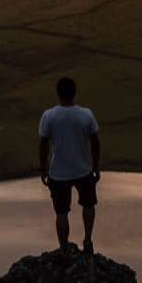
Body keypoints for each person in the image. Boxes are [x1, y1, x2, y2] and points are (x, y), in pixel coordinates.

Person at [37, 76, 101, 253]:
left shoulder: (49, 116)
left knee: (61, 213)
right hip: (83, 170)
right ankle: (88, 240)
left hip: (58, 172)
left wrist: (43, 169)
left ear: (58, 94)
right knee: (89, 205)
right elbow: (95, 141)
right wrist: (96, 166)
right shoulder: (86, 114)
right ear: (75, 93)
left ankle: (64, 249)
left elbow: (43, 144)